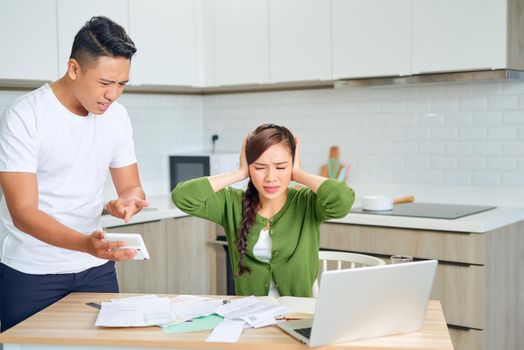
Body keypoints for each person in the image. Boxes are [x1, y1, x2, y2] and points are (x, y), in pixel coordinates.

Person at [0, 16, 148, 331]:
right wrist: (84, 243)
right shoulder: (25, 116)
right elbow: (23, 213)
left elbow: (132, 188)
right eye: (105, 83)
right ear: (74, 69)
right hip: (32, 272)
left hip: (96, 269)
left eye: (122, 84)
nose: (113, 95)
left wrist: (128, 202)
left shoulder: (117, 118)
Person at [172, 124, 355, 297]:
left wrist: (299, 173)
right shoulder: (233, 202)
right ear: (249, 166)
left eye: (281, 167)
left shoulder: (307, 202)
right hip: (250, 317)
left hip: (297, 315)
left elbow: (343, 200)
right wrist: (239, 173)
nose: (270, 178)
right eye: (259, 167)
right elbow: (182, 197)